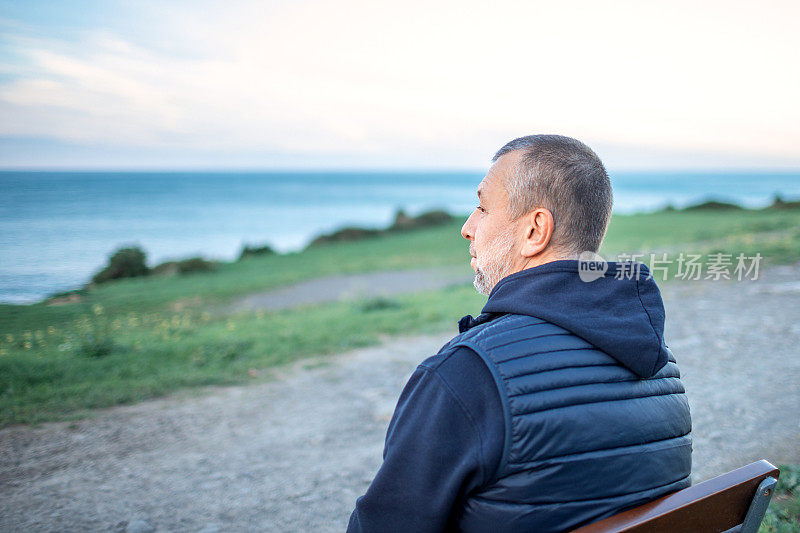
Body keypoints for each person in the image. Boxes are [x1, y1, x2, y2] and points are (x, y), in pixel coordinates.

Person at [347, 135, 692, 533]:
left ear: (534, 231)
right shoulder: (660, 365)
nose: (467, 227)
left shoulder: (467, 373)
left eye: (482, 207)